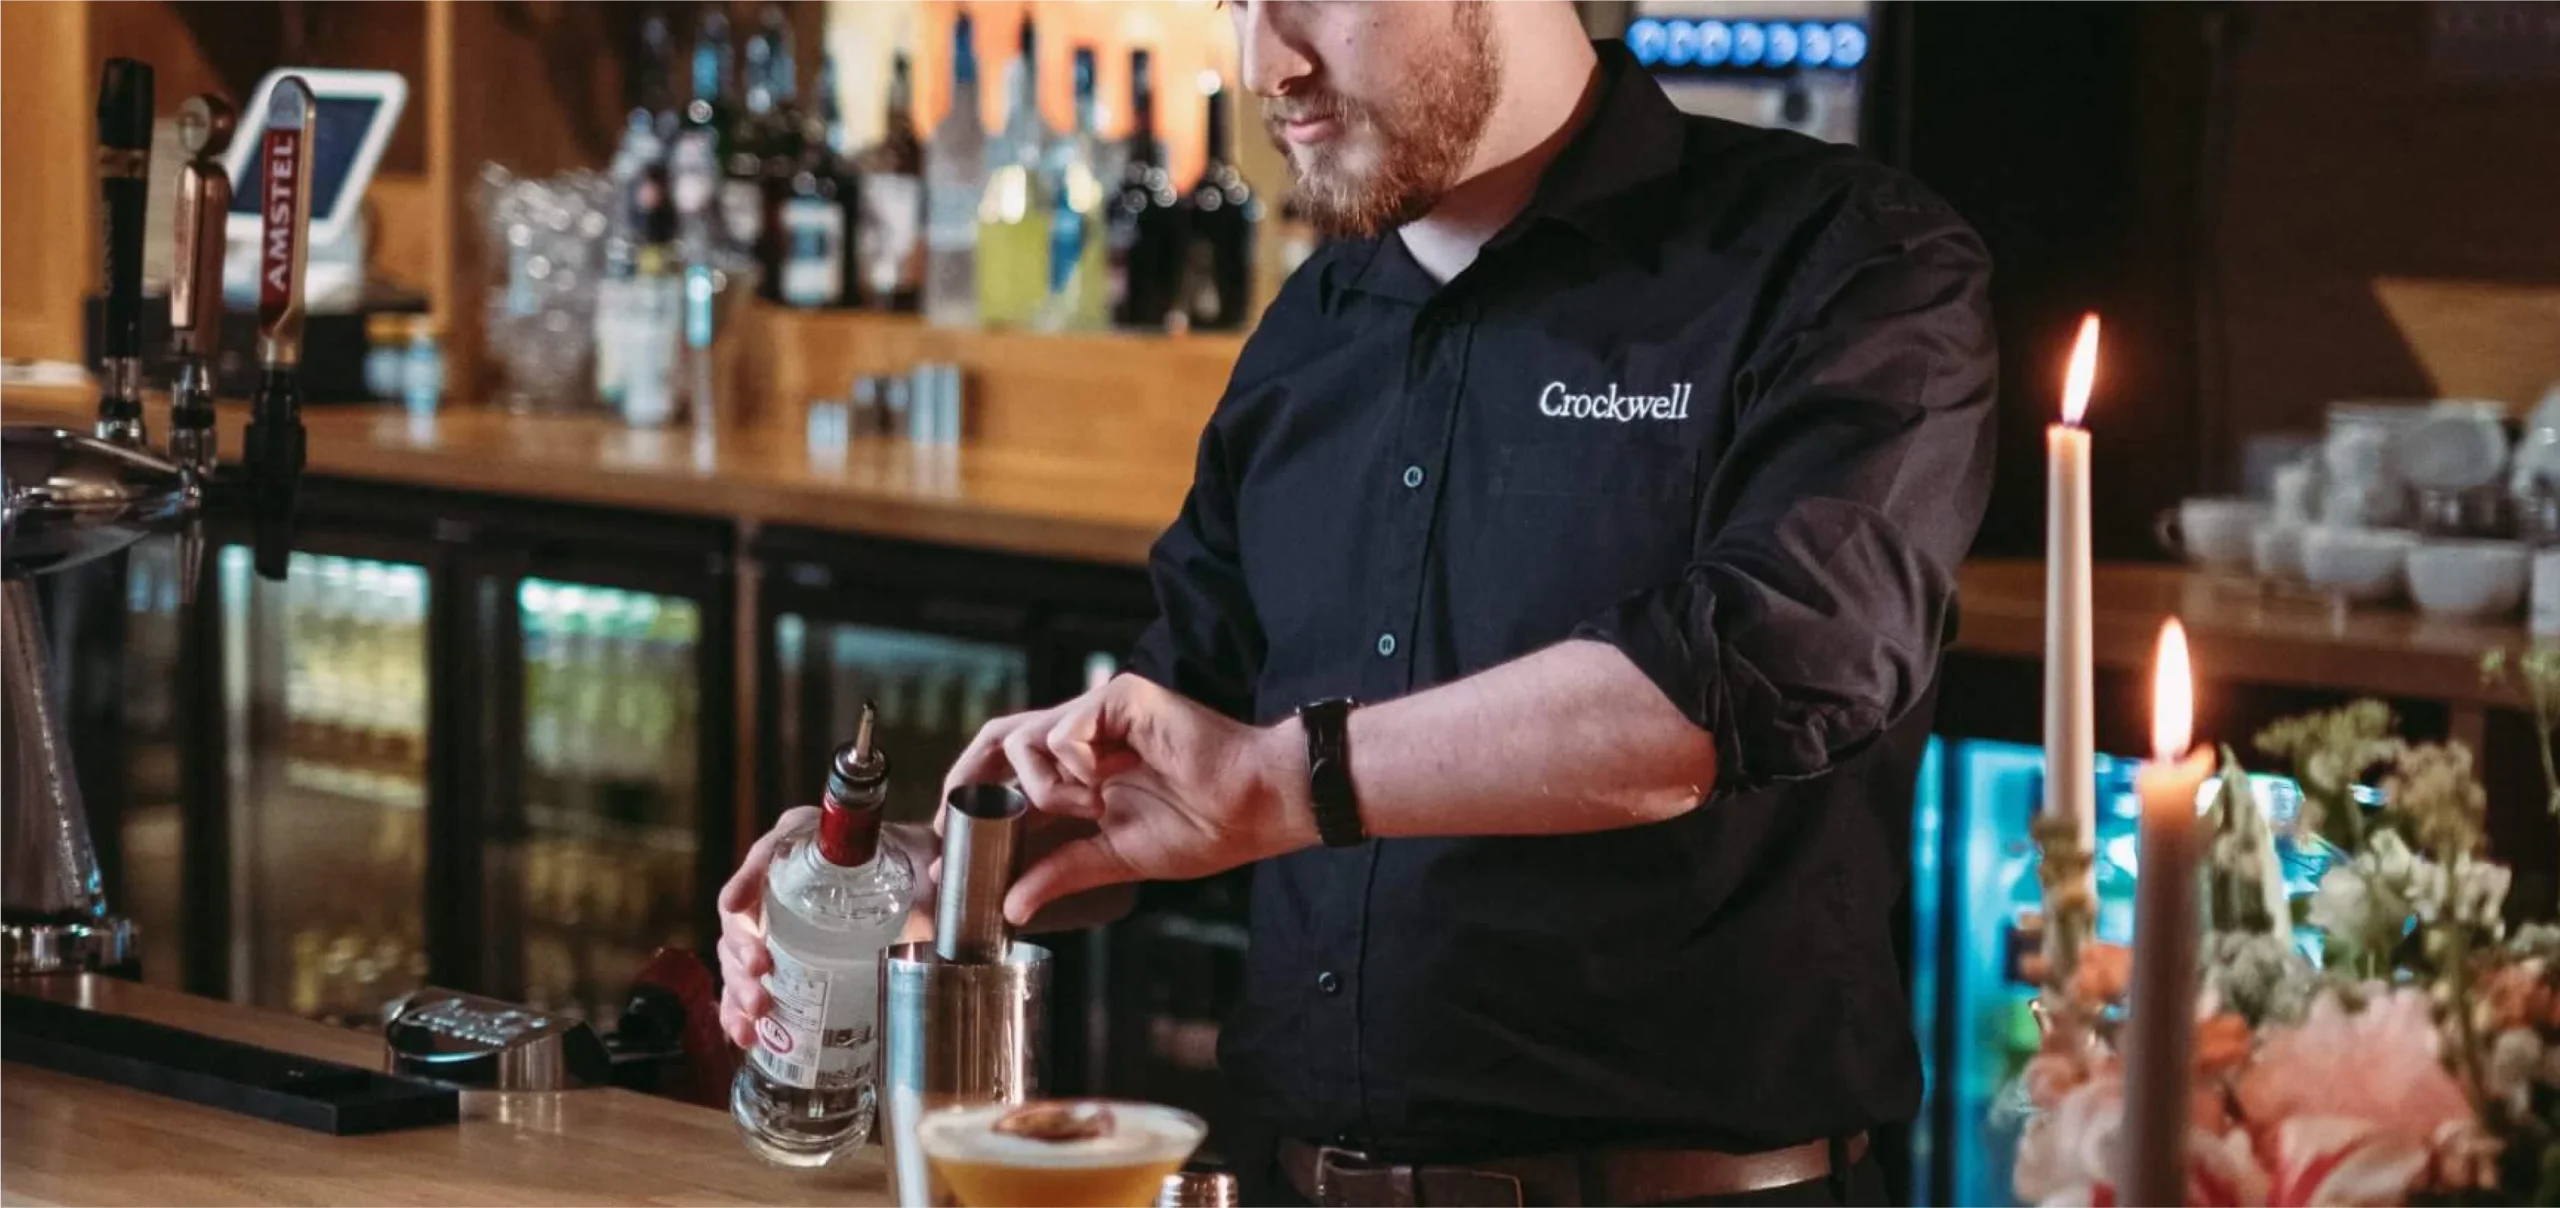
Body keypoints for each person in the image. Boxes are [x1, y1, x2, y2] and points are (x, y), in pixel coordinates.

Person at [720, 2, 1995, 1203]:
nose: (1264, 62)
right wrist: (917, 875)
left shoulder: (1845, 255)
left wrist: (1288, 780)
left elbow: (1785, 652)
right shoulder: (1308, 330)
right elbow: (1174, 748)